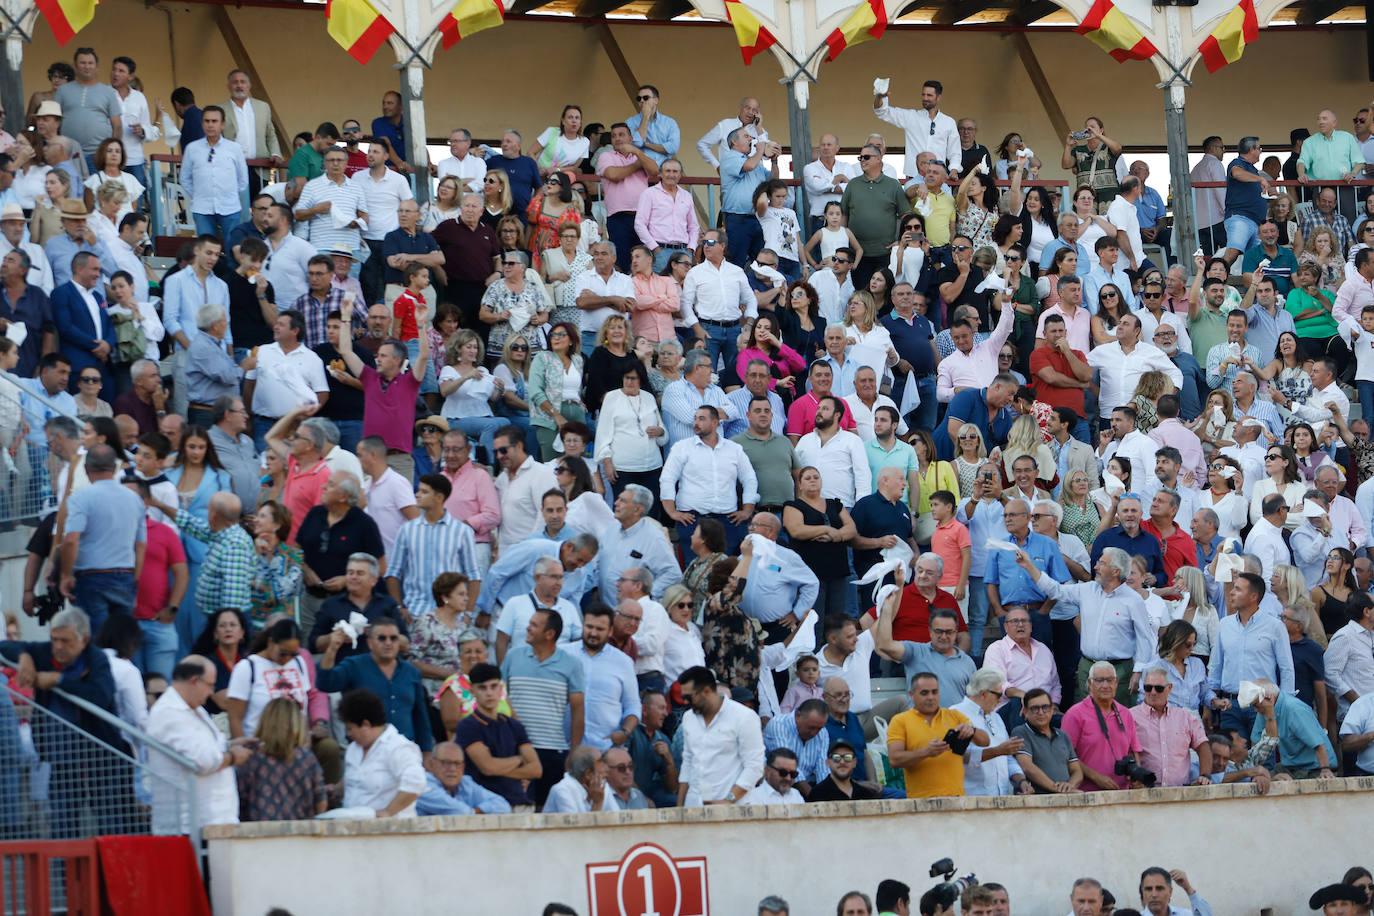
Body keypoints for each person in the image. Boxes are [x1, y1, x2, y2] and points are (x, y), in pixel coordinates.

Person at [145, 654, 250, 833]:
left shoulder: (195, 708)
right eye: (210, 685)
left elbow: (209, 749)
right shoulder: (168, 712)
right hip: (189, 827)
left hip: (214, 821)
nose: (211, 692)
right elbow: (203, 761)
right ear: (194, 681)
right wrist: (233, 757)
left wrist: (232, 744)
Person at [58, 445, 147, 633]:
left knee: (96, 645)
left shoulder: (80, 498)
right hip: (124, 575)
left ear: (86, 469)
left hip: (91, 578)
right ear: (114, 469)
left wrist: (66, 575)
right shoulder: (134, 499)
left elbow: (71, 540)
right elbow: (140, 545)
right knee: (121, 645)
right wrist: (135, 579)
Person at [317, 617, 433, 753]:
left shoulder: (411, 672)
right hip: (365, 750)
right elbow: (325, 684)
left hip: (405, 751)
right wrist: (332, 649)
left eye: (393, 638)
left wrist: (426, 752)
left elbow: (420, 717)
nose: (388, 643)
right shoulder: (353, 666)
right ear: (370, 643)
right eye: (382, 638)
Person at [886, 669, 989, 798]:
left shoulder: (954, 715)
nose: (930, 697)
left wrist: (972, 731)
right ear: (911, 695)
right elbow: (894, 759)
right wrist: (926, 752)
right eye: (924, 693)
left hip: (956, 799)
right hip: (920, 801)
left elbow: (985, 741)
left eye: (935, 692)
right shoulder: (900, 721)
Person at [675, 665, 765, 805]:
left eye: (688, 697)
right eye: (683, 697)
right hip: (695, 805)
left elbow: (754, 766)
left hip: (733, 809)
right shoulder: (688, 718)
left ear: (706, 691)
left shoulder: (744, 717)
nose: (685, 702)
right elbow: (687, 762)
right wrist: (679, 808)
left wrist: (728, 800)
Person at [338, 687, 427, 818]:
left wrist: (388, 812)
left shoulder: (398, 747)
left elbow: (416, 783)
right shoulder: (353, 749)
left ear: (366, 724)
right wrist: (335, 789)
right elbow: (355, 781)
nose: (348, 734)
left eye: (350, 728)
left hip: (391, 831)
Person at [234, 696, 327, 821]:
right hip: (300, 834)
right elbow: (321, 802)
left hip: (259, 834)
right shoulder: (307, 758)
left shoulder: (250, 758)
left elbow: (239, 801)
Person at [1128, 665, 1212, 787]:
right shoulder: (1130, 716)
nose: (1153, 692)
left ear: (1170, 688)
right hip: (1143, 793)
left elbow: (1203, 746)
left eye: (1158, 688)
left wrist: (1204, 776)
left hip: (1180, 794)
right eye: (1148, 688)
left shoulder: (1185, 717)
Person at [415, 741, 512, 816]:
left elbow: (503, 805)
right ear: (431, 764)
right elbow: (460, 812)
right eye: (446, 762)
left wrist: (474, 811)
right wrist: (477, 811)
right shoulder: (421, 783)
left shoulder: (465, 782)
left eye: (457, 763)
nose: (452, 769)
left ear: (463, 767)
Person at [738, 747, 805, 806]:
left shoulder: (796, 795)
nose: (788, 778)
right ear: (767, 771)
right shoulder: (752, 798)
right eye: (783, 773)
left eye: (793, 774)